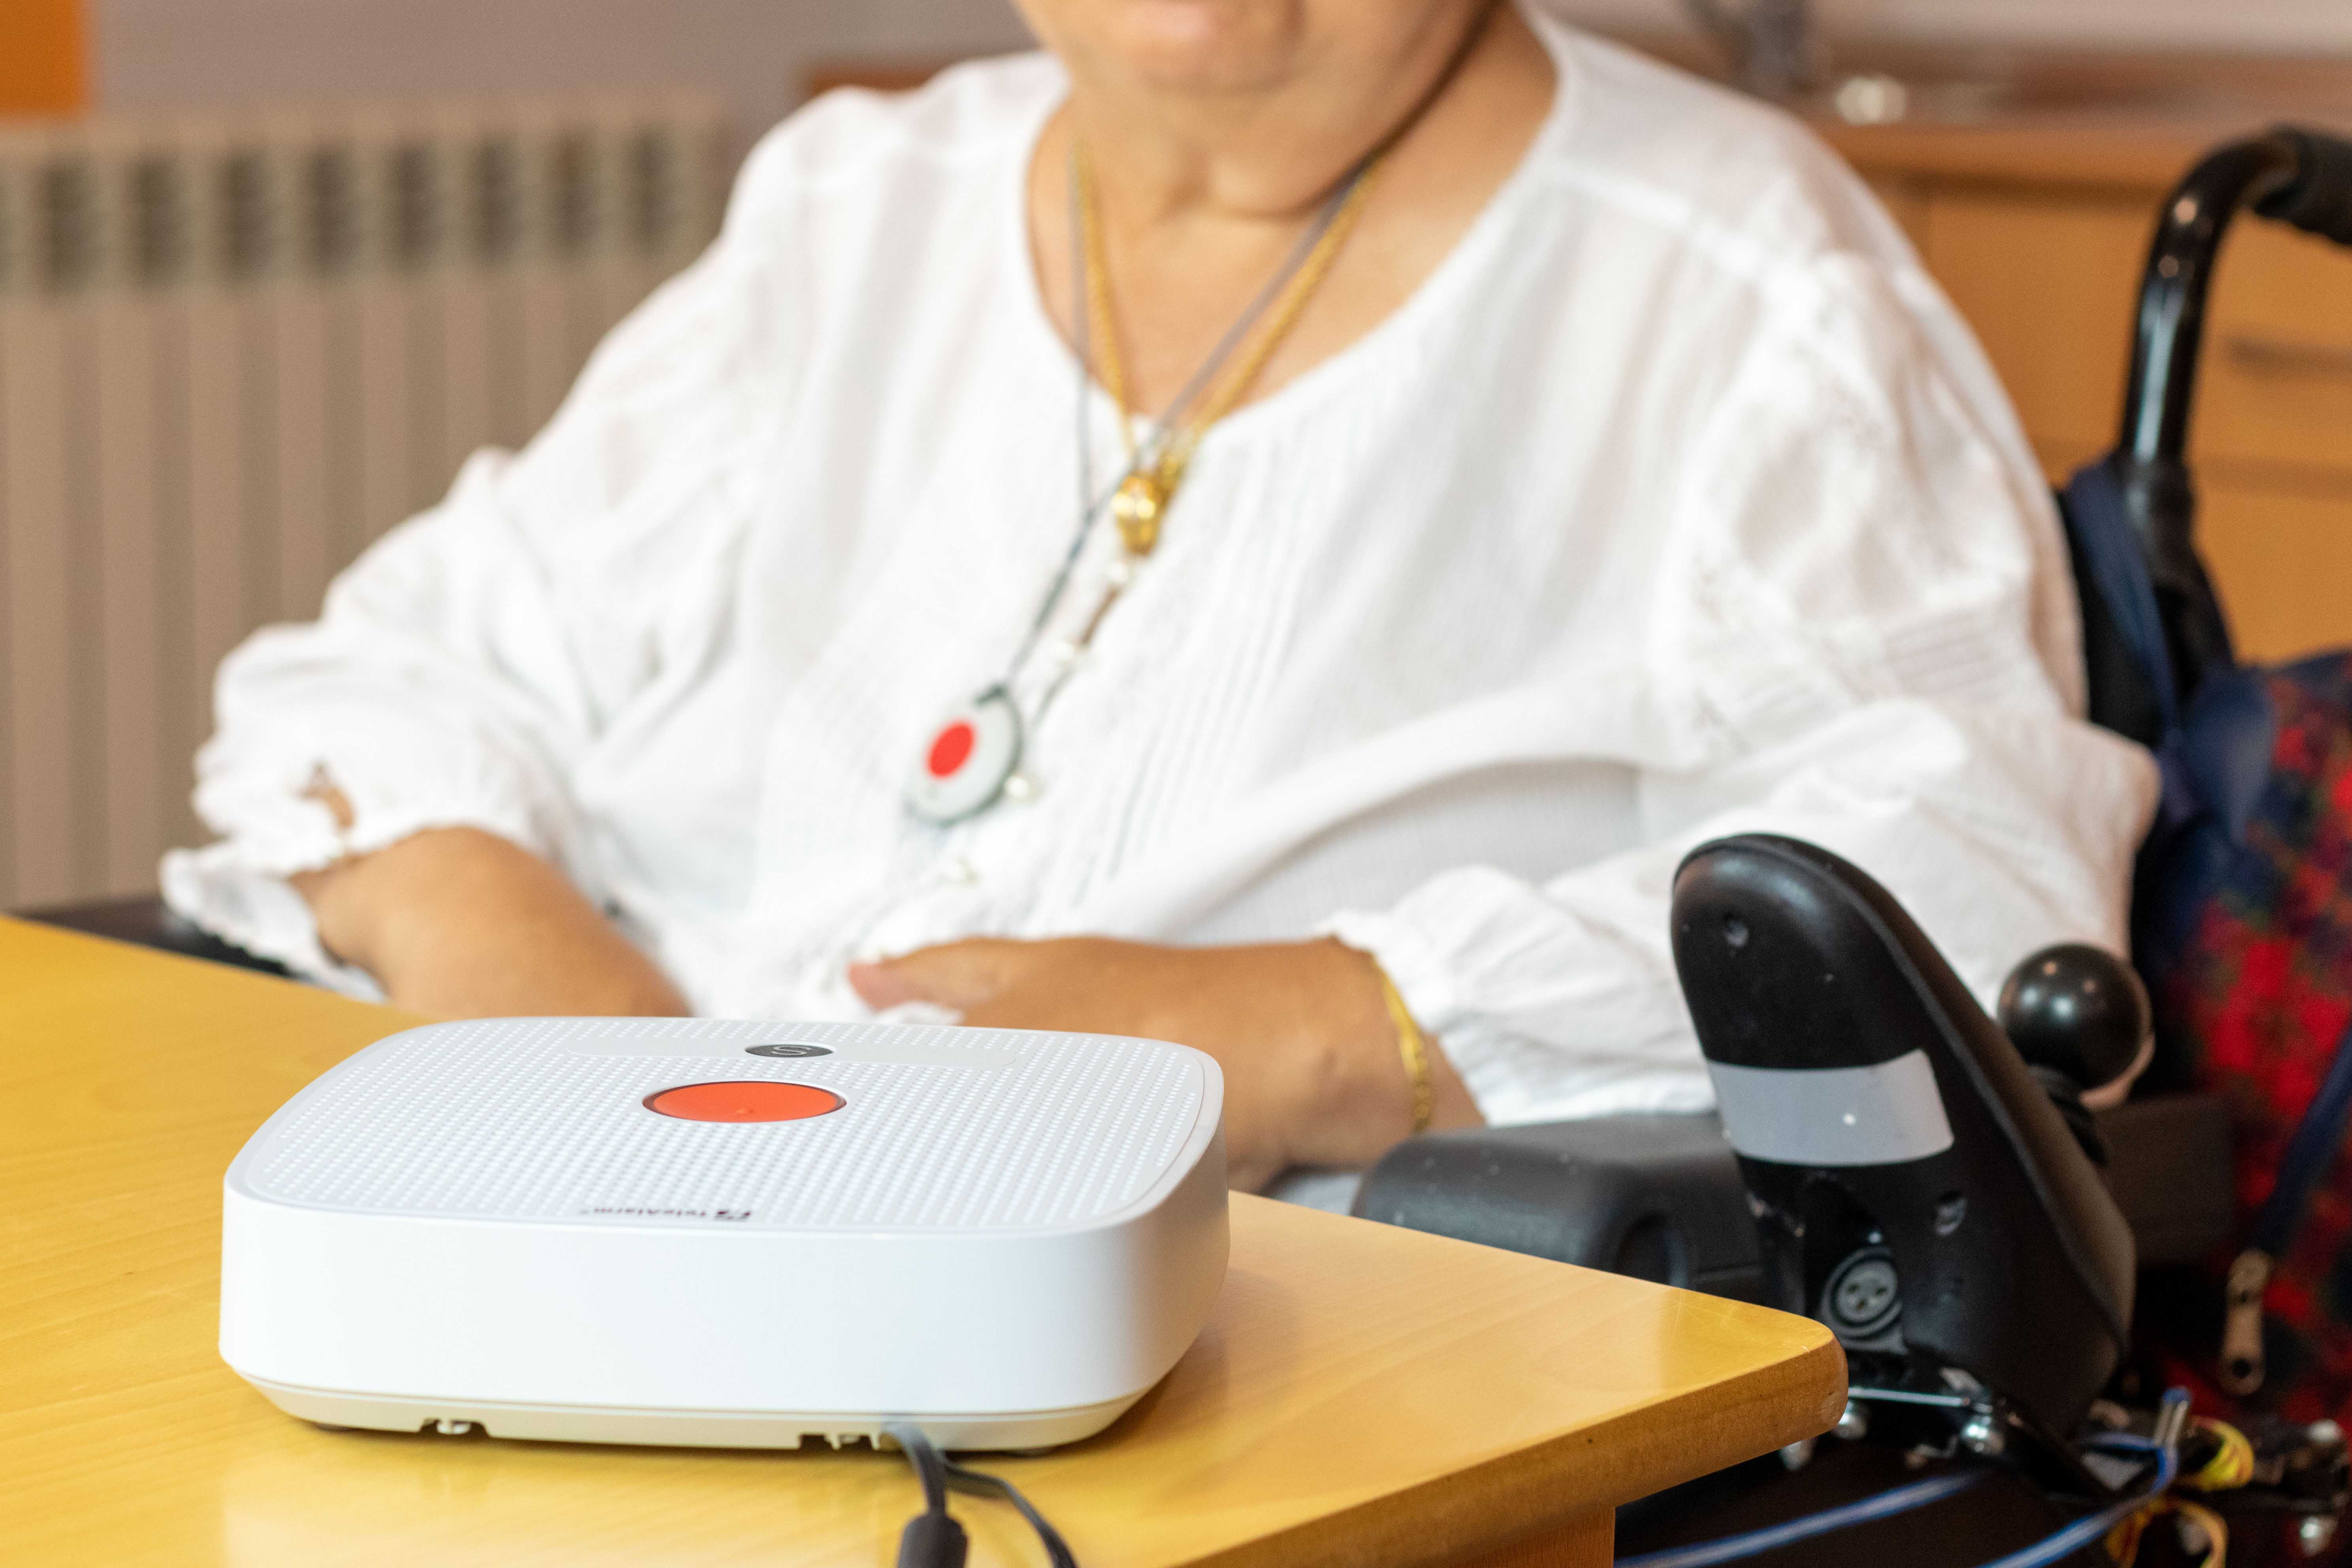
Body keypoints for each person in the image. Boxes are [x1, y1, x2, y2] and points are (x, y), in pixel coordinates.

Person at [164, 0, 2158, 1198]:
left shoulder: (1744, 288)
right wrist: (531, 992)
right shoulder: (860, 203)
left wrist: (1306, 1033)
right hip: (603, 1272)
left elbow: (1970, 894)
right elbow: (386, 680)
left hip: (1246, 1386)